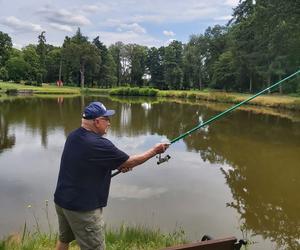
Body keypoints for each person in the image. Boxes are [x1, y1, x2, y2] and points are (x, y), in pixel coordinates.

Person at [54, 101, 169, 250]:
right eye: (106, 119)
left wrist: (119, 165)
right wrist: (155, 151)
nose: (109, 123)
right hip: (83, 209)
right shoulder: (98, 144)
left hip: (62, 202)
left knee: (64, 240)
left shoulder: (74, 136)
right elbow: (130, 161)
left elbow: (87, 164)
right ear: (97, 122)